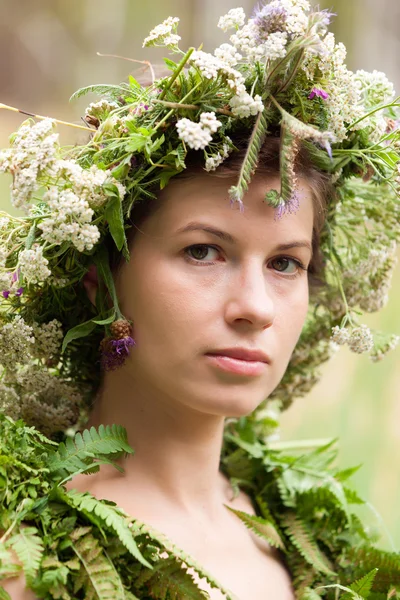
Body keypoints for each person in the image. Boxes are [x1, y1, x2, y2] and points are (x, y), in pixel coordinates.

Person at [1, 2, 400, 599]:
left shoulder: (317, 544)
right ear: (99, 277)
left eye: (286, 263)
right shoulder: (32, 561)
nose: (255, 307)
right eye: (203, 252)